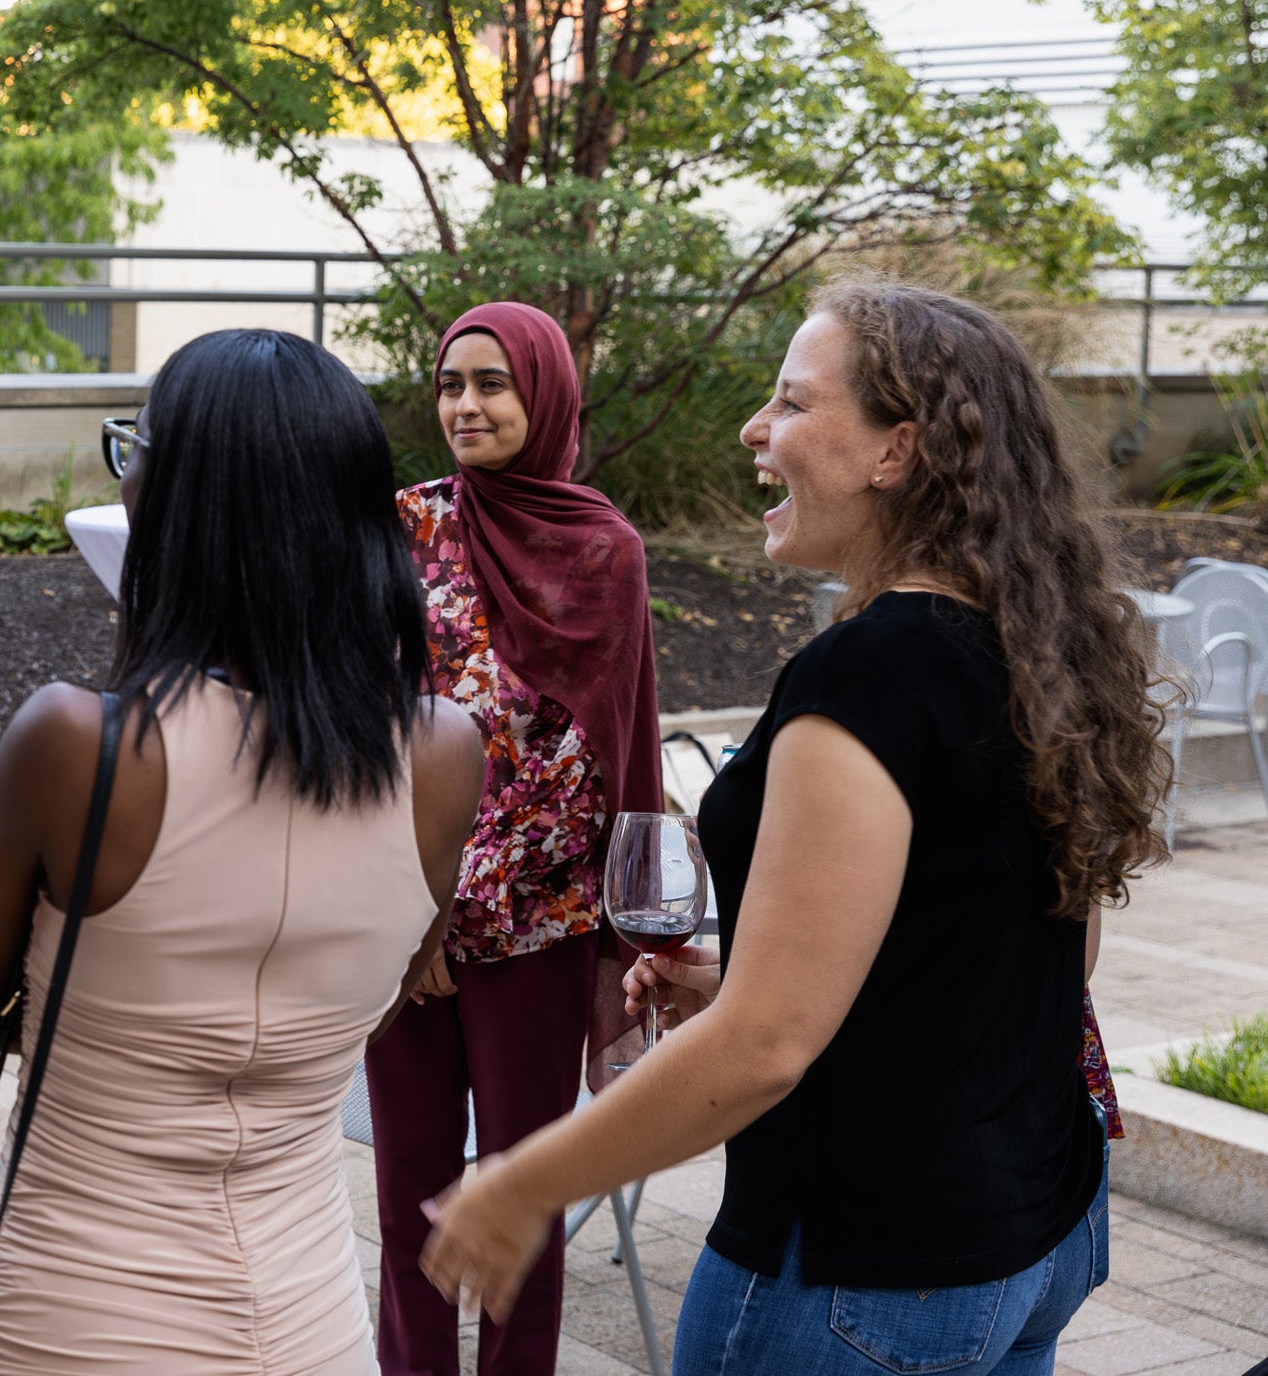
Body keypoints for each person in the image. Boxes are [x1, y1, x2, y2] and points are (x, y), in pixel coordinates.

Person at [420, 283, 1171, 1376]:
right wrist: (756, 972)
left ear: (895, 450)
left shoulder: (864, 673)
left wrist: (520, 1184)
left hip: (863, 1277)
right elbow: (1029, 953)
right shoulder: (1033, 641)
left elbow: (765, 1049)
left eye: (790, 401)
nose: (751, 428)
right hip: (1039, 1237)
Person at [0, 328, 485, 1376]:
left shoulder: (75, 743)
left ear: (177, 502)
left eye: (137, 451)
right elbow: (363, 1003)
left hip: (70, 1315)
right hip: (309, 1321)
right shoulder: (445, 755)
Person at [365, 300, 661, 1376]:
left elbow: (621, 743)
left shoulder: (605, 550)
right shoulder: (403, 527)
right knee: (410, 1204)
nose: (466, 405)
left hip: (541, 928)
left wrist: (628, 936)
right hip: (406, 922)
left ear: (544, 393)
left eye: (492, 383)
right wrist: (413, 913)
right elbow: (367, 729)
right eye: (451, 384)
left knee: (522, 1206)